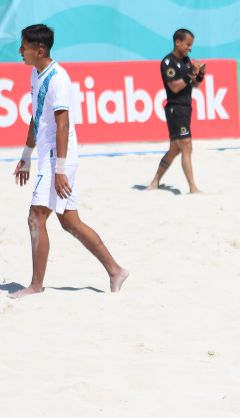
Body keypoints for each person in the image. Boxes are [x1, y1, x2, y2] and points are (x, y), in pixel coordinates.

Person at [11, 24, 129, 299]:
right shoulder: (35, 73)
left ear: (39, 50)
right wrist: (26, 157)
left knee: (35, 218)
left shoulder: (59, 79)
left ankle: (36, 286)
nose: (20, 51)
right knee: (70, 222)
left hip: (58, 158)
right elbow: (36, 117)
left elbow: (63, 126)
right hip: (47, 157)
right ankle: (116, 270)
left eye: (24, 47)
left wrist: (60, 169)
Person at [147, 28, 205, 193]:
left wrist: (200, 74)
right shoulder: (167, 62)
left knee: (175, 149)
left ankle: (155, 182)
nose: (190, 48)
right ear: (178, 42)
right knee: (187, 146)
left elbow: (195, 85)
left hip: (186, 107)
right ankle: (193, 187)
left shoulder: (186, 61)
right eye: (188, 44)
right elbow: (174, 87)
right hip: (176, 108)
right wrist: (191, 73)